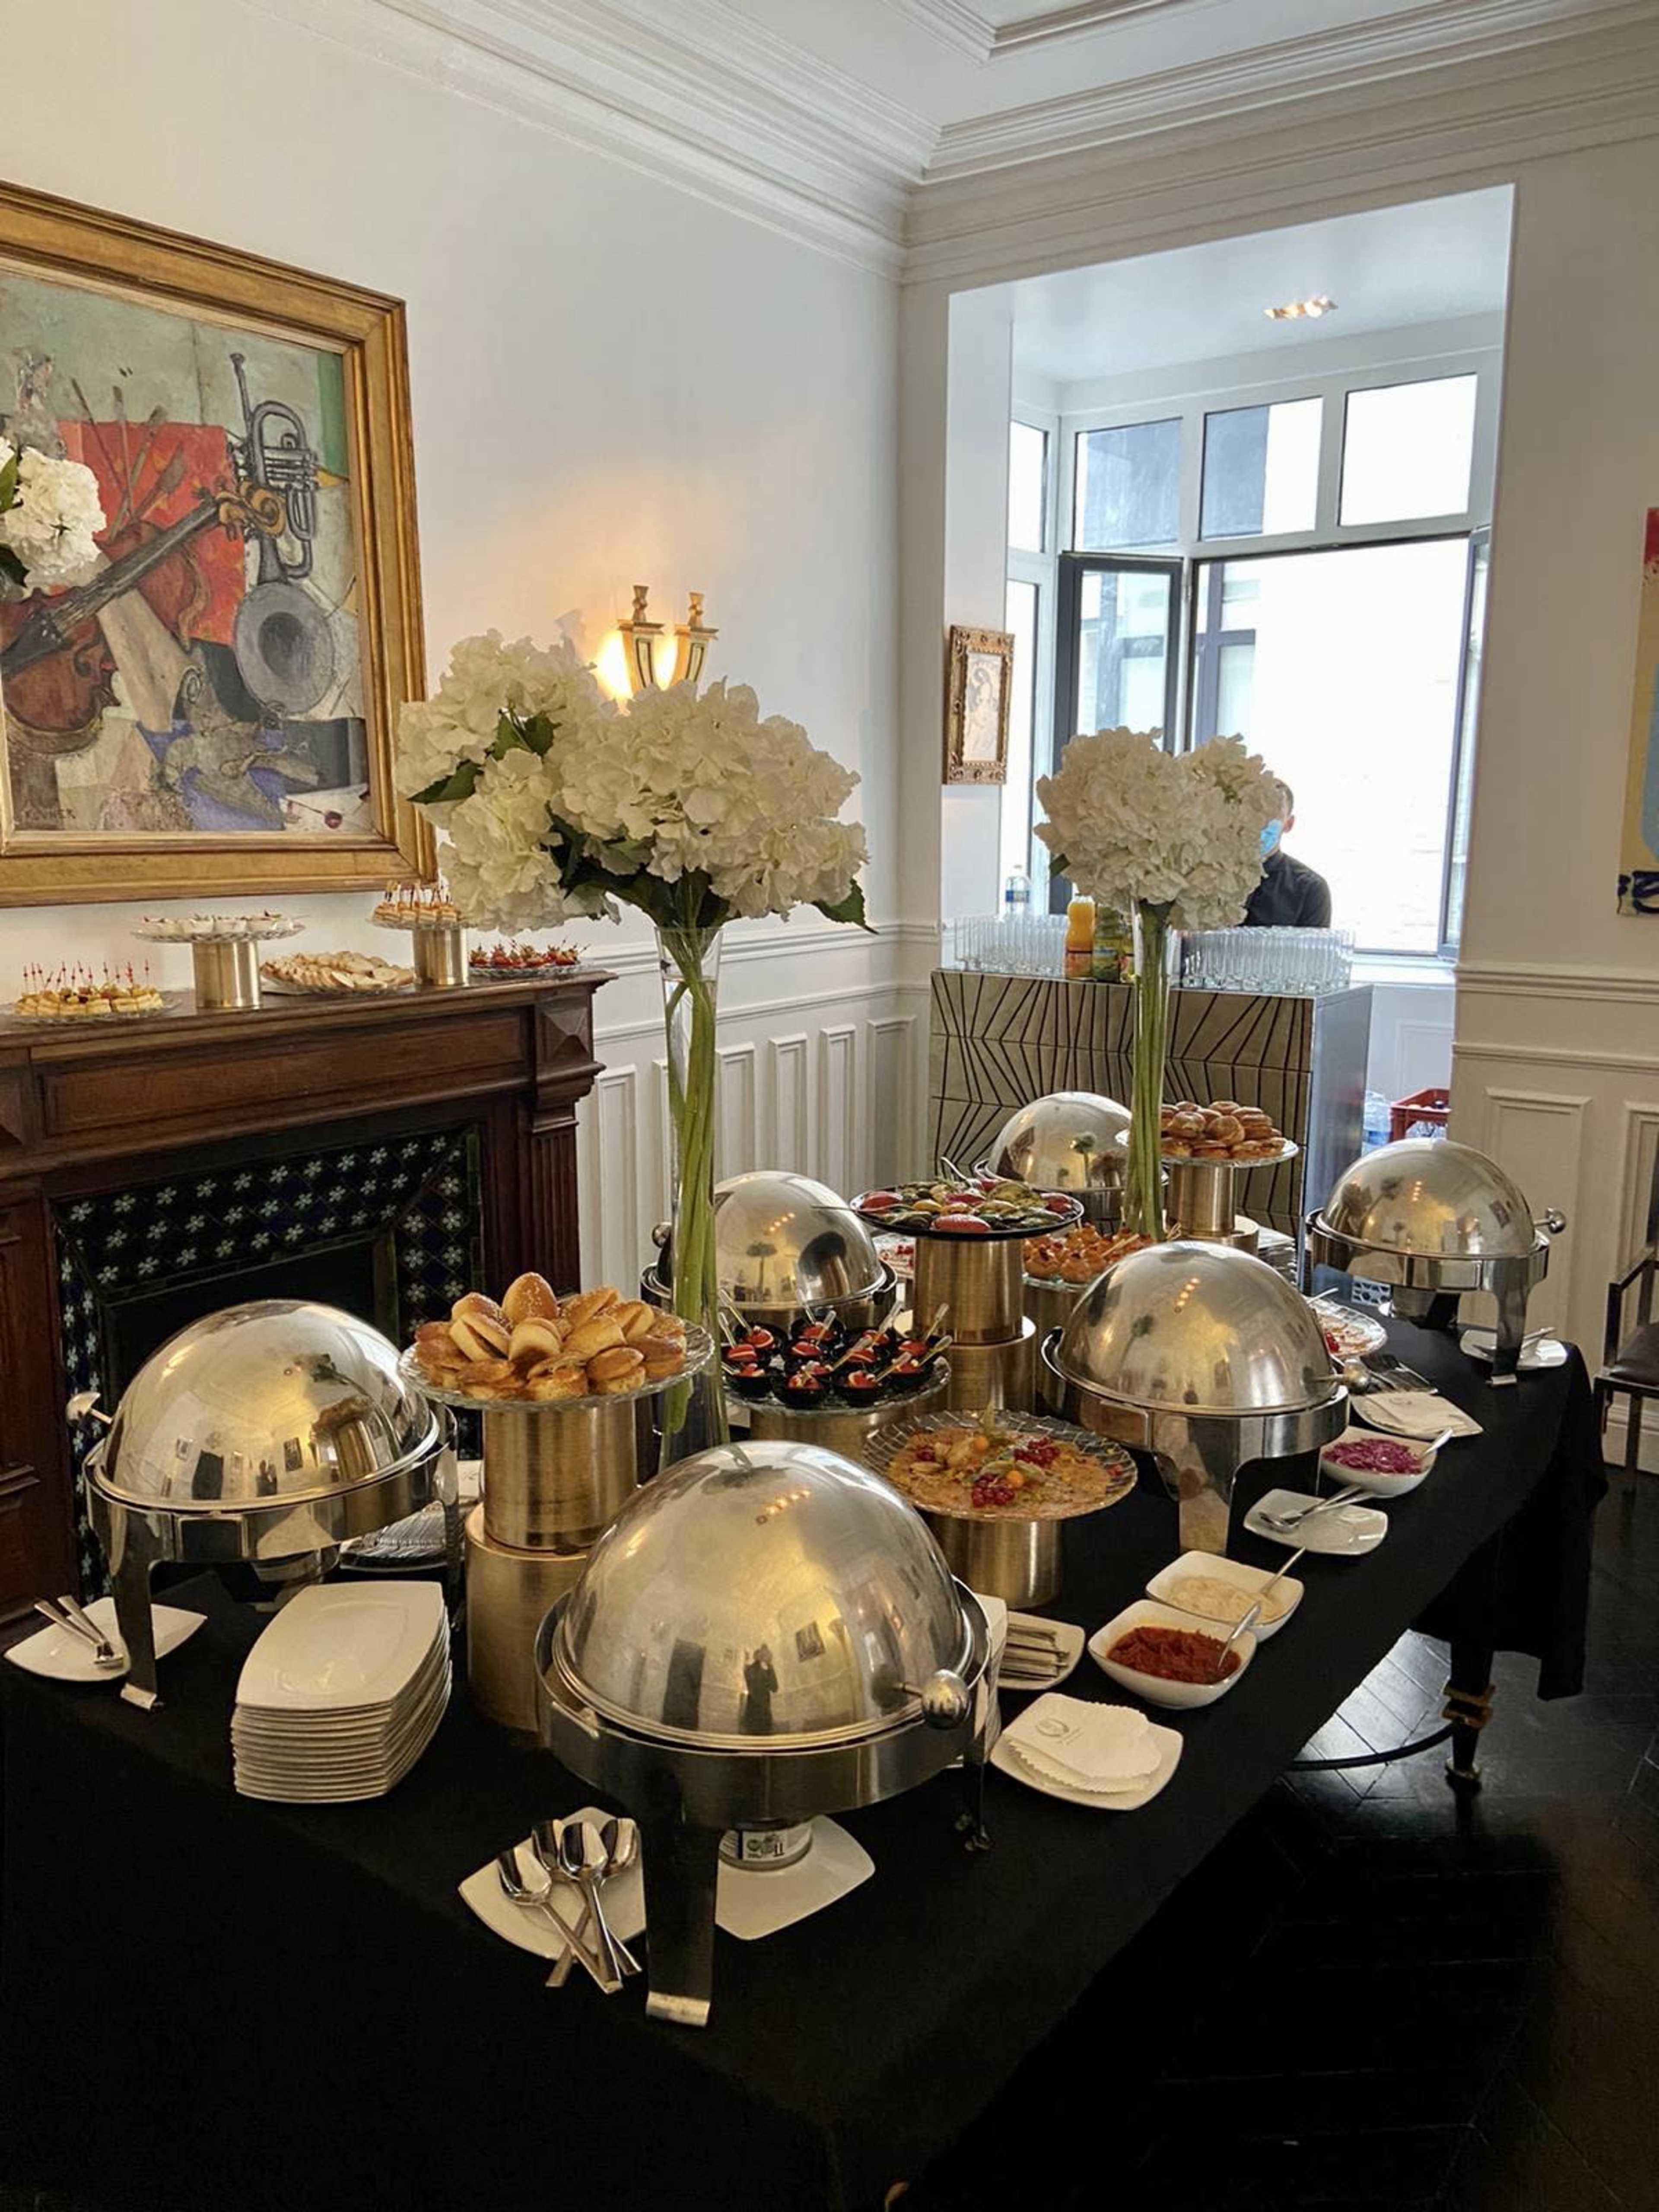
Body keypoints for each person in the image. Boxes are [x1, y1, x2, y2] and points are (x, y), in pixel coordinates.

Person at [1244, 778, 1332, 928]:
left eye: (1271, 815)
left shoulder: (1310, 889)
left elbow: (1314, 950)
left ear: (1289, 824)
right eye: (1254, 811)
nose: (1260, 822)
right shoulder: (1204, 876)